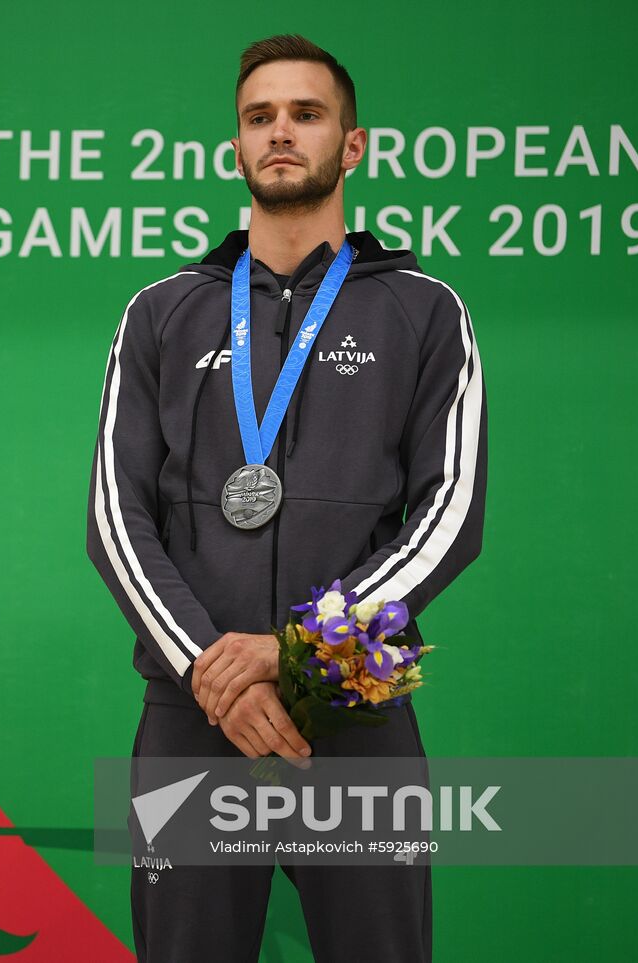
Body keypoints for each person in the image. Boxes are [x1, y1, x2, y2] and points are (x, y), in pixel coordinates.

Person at [86, 35, 486, 962]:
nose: (279, 133)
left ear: (353, 146)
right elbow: (117, 516)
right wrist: (210, 670)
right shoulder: (161, 311)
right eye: (259, 117)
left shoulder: (426, 310)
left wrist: (304, 650)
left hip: (355, 707)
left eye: (306, 114)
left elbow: (450, 515)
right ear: (235, 147)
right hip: (193, 717)